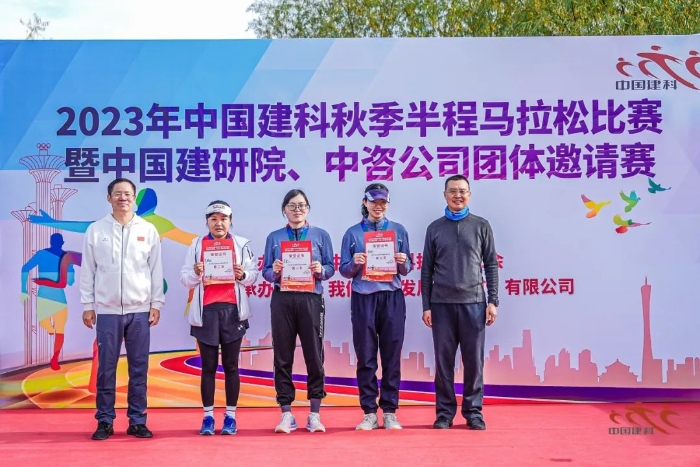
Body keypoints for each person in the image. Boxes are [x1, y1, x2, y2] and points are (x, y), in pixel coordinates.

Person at [80, 178, 164, 441]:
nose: (123, 198)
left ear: (134, 198)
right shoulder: (96, 230)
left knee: (138, 368)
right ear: (109, 198)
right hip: (107, 311)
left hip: (140, 310)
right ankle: (104, 421)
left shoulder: (147, 230)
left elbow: (155, 270)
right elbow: (88, 270)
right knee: (106, 369)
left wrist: (156, 303)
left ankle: (137, 420)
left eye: (128, 194)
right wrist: (88, 305)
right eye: (117, 194)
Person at [420, 175, 499, 431]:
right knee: (444, 363)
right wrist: (426, 306)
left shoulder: (481, 225)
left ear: (469, 195)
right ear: (444, 195)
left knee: (474, 362)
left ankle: (473, 412)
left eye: (462, 191)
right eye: (452, 191)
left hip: (474, 303)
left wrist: (493, 301)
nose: (458, 195)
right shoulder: (434, 228)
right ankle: (444, 413)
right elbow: (426, 270)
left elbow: (491, 265)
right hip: (441, 305)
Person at [179, 200, 259, 435]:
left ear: (231, 221)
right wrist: (196, 273)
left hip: (233, 312)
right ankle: (208, 418)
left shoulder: (241, 244)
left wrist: (242, 275)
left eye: (223, 219)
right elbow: (185, 279)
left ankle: (230, 417)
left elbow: (253, 276)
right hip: (206, 312)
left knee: (231, 366)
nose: (218, 223)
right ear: (207, 222)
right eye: (213, 219)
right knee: (208, 367)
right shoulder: (196, 245)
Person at [339, 183, 412, 430]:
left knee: (392, 355)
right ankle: (369, 411)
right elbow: (344, 270)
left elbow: (407, 268)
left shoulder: (398, 230)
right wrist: (355, 263)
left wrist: (402, 261)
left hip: (392, 297)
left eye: (383, 202)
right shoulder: (352, 233)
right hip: (364, 297)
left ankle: (390, 411)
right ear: (365, 202)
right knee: (366, 355)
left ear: (388, 204)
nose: (378, 206)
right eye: (373, 201)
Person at [262, 189, 335, 433]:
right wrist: (275, 271)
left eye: (302, 205)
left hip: (311, 298)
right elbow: (266, 272)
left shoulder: (321, 235)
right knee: (282, 356)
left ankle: (314, 413)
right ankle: (286, 413)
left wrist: (320, 270)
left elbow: (330, 268)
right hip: (282, 298)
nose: (297, 210)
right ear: (284, 209)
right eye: (292, 206)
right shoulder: (274, 237)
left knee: (314, 355)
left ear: (308, 209)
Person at [20, 233, 81, 370]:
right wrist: (23, 290)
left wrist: (70, 269)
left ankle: (55, 358)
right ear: (62, 242)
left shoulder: (65, 257)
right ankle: (50, 330)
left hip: (59, 299)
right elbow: (25, 268)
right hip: (45, 298)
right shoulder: (45, 254)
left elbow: (70, 282)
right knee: (44, 322)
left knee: (60, 330)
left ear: (51, 241)